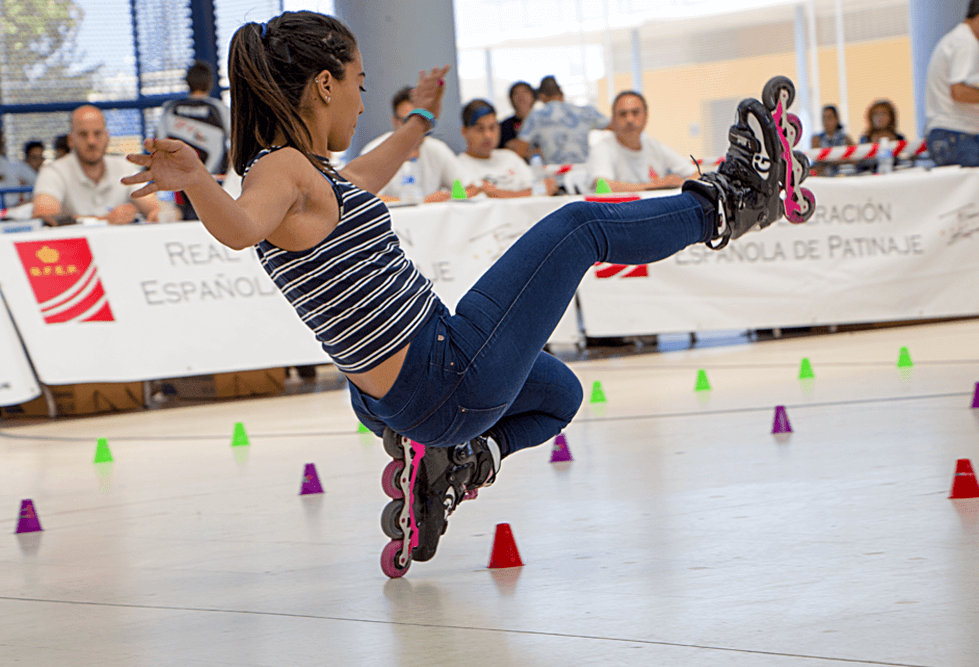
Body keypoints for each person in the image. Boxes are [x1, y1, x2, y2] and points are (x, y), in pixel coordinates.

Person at [121, 11, 811, 578]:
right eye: (360, 83)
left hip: (398, 398)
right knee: (579, 226)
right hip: (444, 376)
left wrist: (420, 119)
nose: (364, 100)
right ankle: (731, 203)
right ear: (324, 85)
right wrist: (196, 179)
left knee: (560, 396)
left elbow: (367, 171)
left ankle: (459, 461)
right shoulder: (280, 171)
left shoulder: (311, 178)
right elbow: (240, 227)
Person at [33, 105, 160, 225]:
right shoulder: (53, 172)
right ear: (71, 140)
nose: (91, 141)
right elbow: (45, 216)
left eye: (97, 133)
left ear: (107, 136)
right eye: (83, 134)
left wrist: (161, 214)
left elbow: (154, 207)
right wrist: (104, 220)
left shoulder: (125, 167)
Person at [360, 85, 463, 202]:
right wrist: (423, 201)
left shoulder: (437, 149)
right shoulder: (374, 150)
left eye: (421, 120)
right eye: (408, 121)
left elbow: (467, 187)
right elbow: (364, 199)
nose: (415, 128)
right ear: (395, 122)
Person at [158, 60, 231, 219]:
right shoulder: (219, 108)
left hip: (179, 184)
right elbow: (235, 145)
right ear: (210, 83)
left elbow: (159, 145)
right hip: (211, 182)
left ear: (187, 82)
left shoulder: (171, 108)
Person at [588, 90, 698, 192]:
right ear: (613, 120)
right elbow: (603, 187)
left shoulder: (654, 146)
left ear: (646, 116)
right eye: (623, 114)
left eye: (635, 112)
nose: (629, 119)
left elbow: (696, 174)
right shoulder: (602, 148)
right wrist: (657, 185)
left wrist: (680, 183)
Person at [457, 99, 556, 198]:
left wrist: (497, 193)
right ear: (464, 132)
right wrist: (532, 193)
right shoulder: (458, 166)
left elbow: (543, 188)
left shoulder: (509, 157)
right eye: (480, 129)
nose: (488, 135)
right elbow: (478, 197)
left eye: (492, 128)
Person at [925, 0, 979, 167]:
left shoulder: (957, 39)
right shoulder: (966, 43)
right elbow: (959, 91)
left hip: (947, 135)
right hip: (956, 134)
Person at [515, 75, 611, 165]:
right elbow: (617, 127)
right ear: (561, 94)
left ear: (542, 96)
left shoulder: (535, 116)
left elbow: (520, 152)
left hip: (555, 175)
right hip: (584, 171)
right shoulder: (585, 111)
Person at [0, 123, 38, 207]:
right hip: (14, 213)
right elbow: (39, 183)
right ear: (2, 142)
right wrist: (26, 200)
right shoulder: (16, 165)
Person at [810, 105, 854, 176]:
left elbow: (853, 159)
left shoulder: (845, 138)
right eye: (824, 118)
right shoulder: (816, 139)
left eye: (829, 117)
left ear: (836, 119)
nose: (826, 121)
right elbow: (817, 160)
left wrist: (828, 159)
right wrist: (840, 158)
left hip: (843, 176)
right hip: (823, 177)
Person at [499, 81, 537, 160]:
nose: (521, 96)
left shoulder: (544, 121)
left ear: (533, 96)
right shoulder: (504, 125)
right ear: (511, 99)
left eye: (525, 92)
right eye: (516, 93)